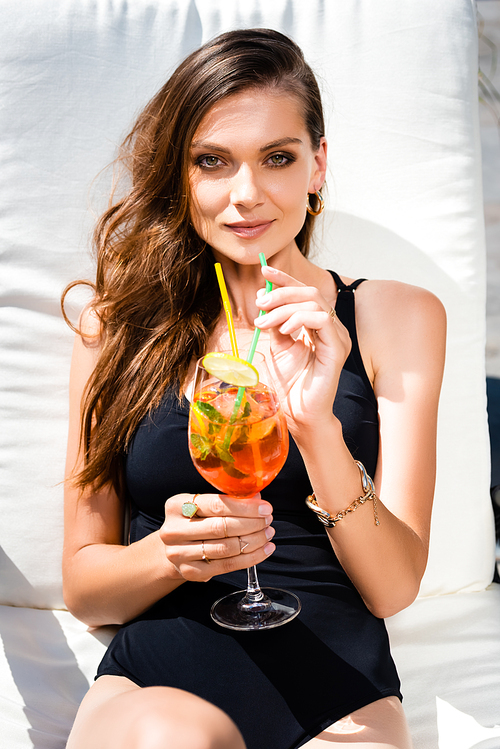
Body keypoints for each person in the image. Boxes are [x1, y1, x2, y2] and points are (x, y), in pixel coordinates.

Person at [62, 27, 446, 749]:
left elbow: (392, 587)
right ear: (183, 176)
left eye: (277, 158)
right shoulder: (113, 326)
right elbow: (84, 585)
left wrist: (318, 431)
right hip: (164, 673)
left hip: (339, 685)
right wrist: (171, 552)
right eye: (213, 161)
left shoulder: (397, 316)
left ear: (317, 165)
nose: (246, 195)